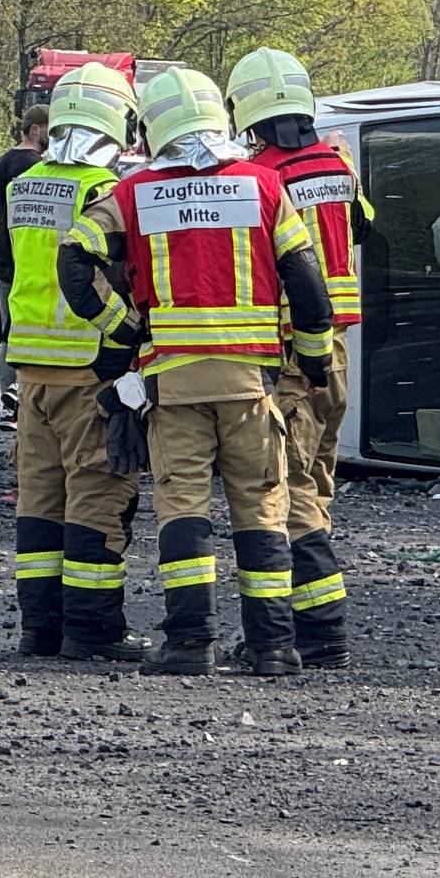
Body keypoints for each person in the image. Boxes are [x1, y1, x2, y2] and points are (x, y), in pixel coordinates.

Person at [59, 68, 335, 677]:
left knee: (182, 508)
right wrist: (312, 359)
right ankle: (271, 646)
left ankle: (189, 642)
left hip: (173, 384)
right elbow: (309, 284)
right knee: (261, 508)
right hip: (249, 385)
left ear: (154, 127)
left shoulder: (133, 195)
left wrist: (122, 327)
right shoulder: (263, 187)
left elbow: (75, 255)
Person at [227, 47, 368, 670]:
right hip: (335, 351)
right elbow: (361, 229)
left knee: (287, 491)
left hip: (291, 353)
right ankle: (311, 623)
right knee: (315, 485)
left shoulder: (262, 177)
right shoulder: (339, 164)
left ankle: (319, 633)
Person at [0, 64, 144, 661]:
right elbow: (107, 275)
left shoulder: (22, 184)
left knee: (40, 498)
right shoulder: (101, 191)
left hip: (30, 365)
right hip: (88, 365)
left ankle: (41, 630)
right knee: (97, 493)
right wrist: (127, 329)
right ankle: (93, 631)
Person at [0, 103, 53, 419]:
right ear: (35, 129)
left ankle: (10, 399)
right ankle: (30, 398)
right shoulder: (34, 166)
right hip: (30, 256)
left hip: (3, 256)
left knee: (10, 328)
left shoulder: (2, 161)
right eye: (50, 126)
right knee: (36, 326)